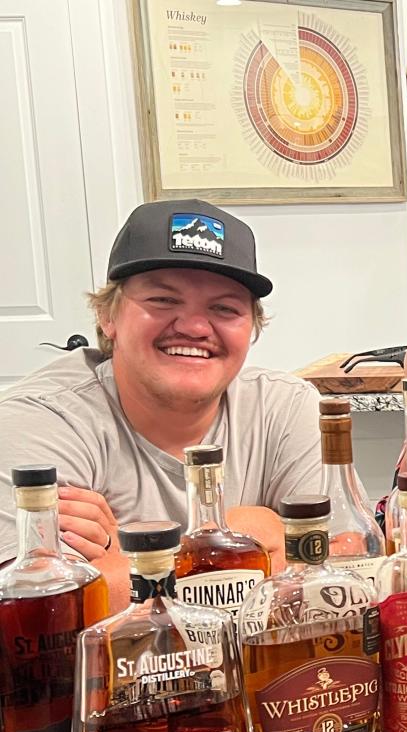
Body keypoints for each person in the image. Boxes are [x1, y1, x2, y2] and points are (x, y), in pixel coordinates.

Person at [0, 199, 322, 608]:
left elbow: (342, 566)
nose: (193, 327)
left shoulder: (286, 406)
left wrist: (128, 557)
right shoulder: (38, 420)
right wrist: (250, 535)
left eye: (224, 308)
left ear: (252, 326)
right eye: (162, 301)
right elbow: (41, 611)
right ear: (107, 316)